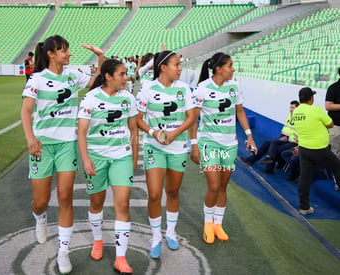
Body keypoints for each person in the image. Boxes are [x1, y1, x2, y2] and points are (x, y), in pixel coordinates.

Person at [20, 34, 104, 274]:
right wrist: (30, 138)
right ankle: (40, 218)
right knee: (41, 201)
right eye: (64, 50)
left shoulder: (73, 75)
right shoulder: (36, 79)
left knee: (65, 196)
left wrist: (100, 56)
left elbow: (98, 81)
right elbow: (26, 112)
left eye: (68, 49)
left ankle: (63, 252)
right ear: (51, 54)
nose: (69, 54)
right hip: (42, 145)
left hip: (67, 144)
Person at [78, 58, 138, 274]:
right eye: (121, 74)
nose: (126, 78)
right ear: (108, 76)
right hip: (96, 157)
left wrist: (133, 157)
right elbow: (82, 132)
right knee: (97, 203)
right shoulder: (90, 99)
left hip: (121, 156)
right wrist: (85, 159)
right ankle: (97, 241)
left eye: (126, 74)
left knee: (123, 205)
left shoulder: (128, 99)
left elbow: (133, 130)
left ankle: (121, 258)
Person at [189, 52, 257, 244]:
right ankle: (208, 224)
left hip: (230, 143)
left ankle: (218, 224)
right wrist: (194, 145)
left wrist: (249, 136)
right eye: (230, 65)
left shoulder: (234, 86)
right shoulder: (202, 89)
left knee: (223, 185)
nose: (233, 69)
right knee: (214, 185)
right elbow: (193, 120)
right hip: (208, 143)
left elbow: (240, 111)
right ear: (219, 69)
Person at [136, 50, 197, 258]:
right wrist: (154, 132)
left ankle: (170, 233)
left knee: (172, 192)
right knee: (154, 194)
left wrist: (174, 133)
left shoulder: (184, 89)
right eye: (176, 65)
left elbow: (191, 117)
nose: (180, 69)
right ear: (163, 67)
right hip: (155, 147)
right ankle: (155, 237)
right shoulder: (147, 89)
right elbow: (138, 119)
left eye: (180, 65)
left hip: (178, 147)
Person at [292, 87, 340, 215]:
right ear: (311, 99)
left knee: (305, 178)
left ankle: (304, 207)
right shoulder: (316, 110)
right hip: (320, 150)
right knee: (337, 167)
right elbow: (330, 124)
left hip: (304, 149)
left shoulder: (295, 112)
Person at [240, 100, 299, 174]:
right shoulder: (290, 116)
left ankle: (269, 166)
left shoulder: (298, 119)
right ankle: (252, 160)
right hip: (284, 139)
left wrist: (287, 138)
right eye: (290, 107)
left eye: (293, 108)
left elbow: (297, 133)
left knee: (274, 145)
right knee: (267, 143)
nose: (291, 109)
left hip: (292, 142)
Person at [325, 67, 340, 159]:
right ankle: (337, 172)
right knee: (336, 152)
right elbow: (328, 106)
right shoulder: (333, 88)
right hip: (336, 126)